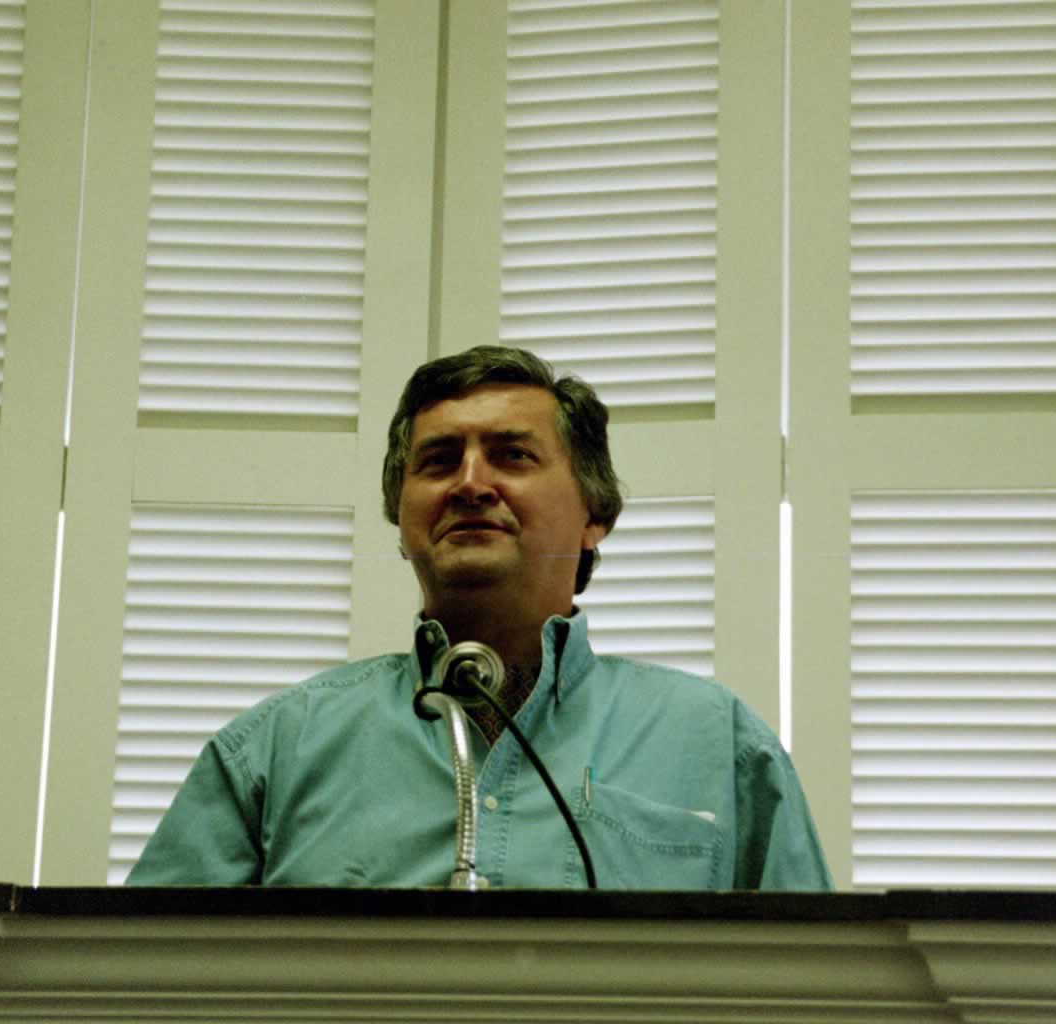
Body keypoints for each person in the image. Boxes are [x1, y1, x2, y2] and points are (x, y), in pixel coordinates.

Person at [127, 346, 832, 890]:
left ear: (595, 516)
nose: (469, 483)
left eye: (512, 456)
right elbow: (137, 989)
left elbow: (819, 993)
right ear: (402, 523)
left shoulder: (720, 746)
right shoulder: (272, 755)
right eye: (438, 462)